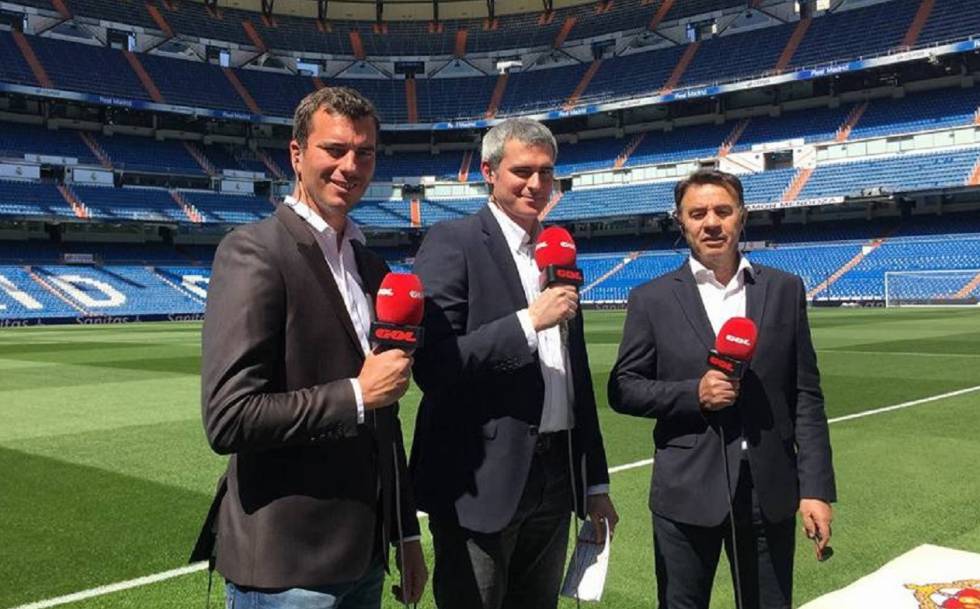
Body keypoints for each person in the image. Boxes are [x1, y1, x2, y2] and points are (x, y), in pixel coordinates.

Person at [190, 86, 427, 609]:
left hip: (365, 557)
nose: (350, 166)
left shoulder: (371, 267)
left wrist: (405, 535)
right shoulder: (253, 252)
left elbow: (386, 419)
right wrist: (356, 394)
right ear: (296, 154)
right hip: (287, 572)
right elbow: (229, 418)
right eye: (334, 149)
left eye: (364, 153)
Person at [409, 117, 618, 609]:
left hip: (556, 477)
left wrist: (595, 481)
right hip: (479, 482)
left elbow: (575, 379)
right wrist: (528, 321)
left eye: (547, 173)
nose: (537, 184)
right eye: (522, 171)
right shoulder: (452, 242)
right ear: (489, 171)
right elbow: (434, 366)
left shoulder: (558, 253)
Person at [608, 168, 836, 609]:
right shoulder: (650, 298)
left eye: (722, 211)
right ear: (682, 222)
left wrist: (816, 488)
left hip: (768, 489)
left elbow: (805, 394)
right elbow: (624, 388)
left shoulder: (785, 289)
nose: (711, 222)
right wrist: (693, 394)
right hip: (686, 491)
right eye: (697, 213)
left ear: (741, 216)